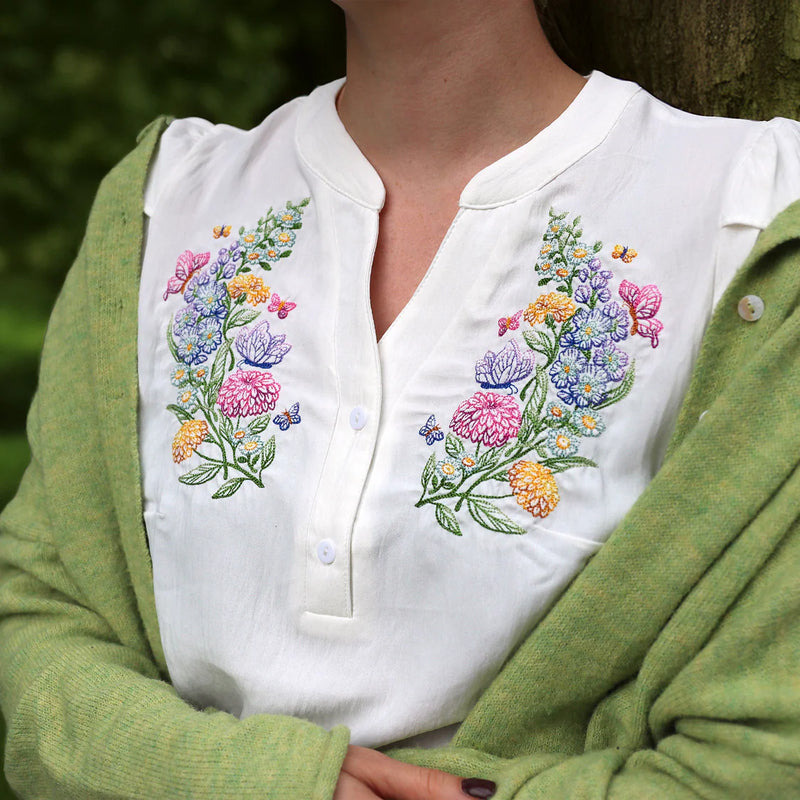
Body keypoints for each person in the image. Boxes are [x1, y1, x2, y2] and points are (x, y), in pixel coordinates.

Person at [2, 1, 800, 797]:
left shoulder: (748, 212)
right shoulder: (168, 200)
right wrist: (260, 783)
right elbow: (36, 628)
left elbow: (758, 758)